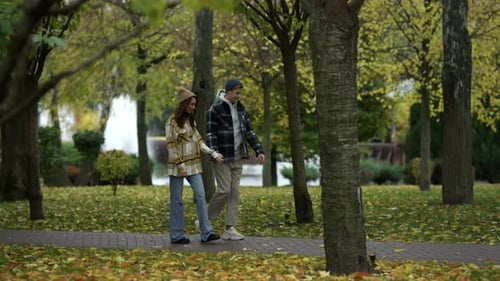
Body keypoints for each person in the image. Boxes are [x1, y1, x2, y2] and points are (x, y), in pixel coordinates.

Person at [205, 78, 265, 240]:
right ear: (229, 91)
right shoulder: (215, 109)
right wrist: (214, 153)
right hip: (222, 157)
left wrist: (259, 150)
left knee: (234, 193)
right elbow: (210, 134)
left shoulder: (241, 109)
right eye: (237, 93)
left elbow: (250, 132)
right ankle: (205, 219)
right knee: (224, 190)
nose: (239, 96)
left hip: (238, 156)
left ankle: (230, 228)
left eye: (240, 93)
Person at [165, 87, 223, 244]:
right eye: (191, 104)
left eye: (194, 104)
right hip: (178, 167)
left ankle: (206, 233)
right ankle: (176, 236)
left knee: (200, 195)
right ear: (184, 104)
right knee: (177, 200)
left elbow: (199, 142)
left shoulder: (191, 122)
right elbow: (171, 146)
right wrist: (180, 164)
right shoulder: (172, 122)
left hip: (194, 165)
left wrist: (213, 154)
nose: (194, 107)